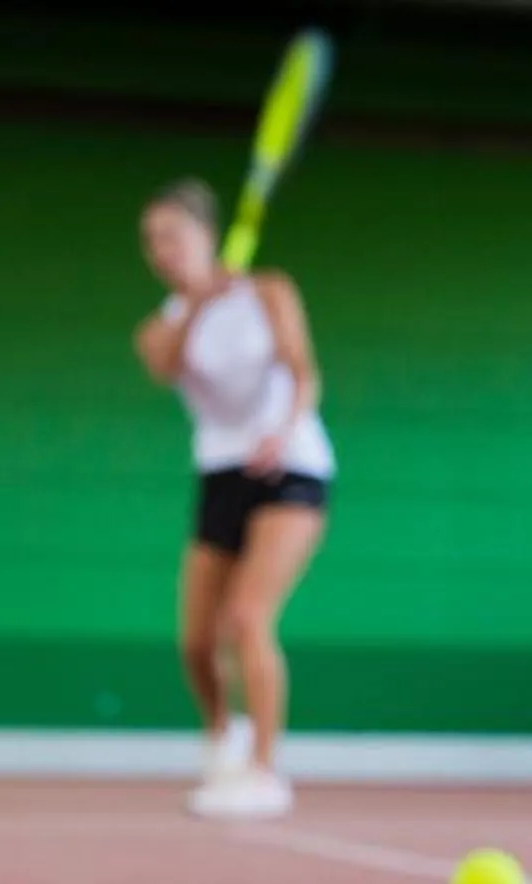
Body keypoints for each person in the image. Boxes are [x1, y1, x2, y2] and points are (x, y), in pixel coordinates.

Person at [132, 178, 332, 821]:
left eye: (172, 235)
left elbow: (304, 372)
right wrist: (197, 301)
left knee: (247, 618)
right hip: (221, 475)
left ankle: (266, 771)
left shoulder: (270, 291)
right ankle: (224, 738)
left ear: (207, 236)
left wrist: (283, 428)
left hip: (290, 466)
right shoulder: (157, 330)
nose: (161, 250)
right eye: (151, 241)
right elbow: (167, 366)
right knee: (195, 641)